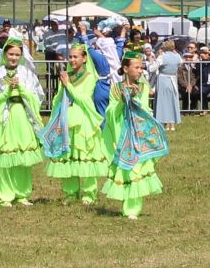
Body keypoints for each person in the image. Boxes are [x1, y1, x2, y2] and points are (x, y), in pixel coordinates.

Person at [42, 40, 111, 204]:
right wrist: (63, 88)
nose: (72, 60)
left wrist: (69, 86)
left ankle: (89, 193)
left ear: (84, 58)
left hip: (83, 120)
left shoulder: (89, 77)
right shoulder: (68, 75)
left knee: (85, 155)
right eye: (70, 57)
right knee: (69, 155)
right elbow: (58, 99)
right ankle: (71, 193)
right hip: (67, 119)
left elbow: (84, 99)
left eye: (76, 57)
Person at [0, 38, 44, 206]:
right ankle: (5, 195)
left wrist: (20, 88)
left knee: (22, 156)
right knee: (4, 156)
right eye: (11, 54)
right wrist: (8, 90)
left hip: (21, 114)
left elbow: (35, 96)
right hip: (4, 117)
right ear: (5, 54)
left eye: (17, 54)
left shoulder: (26, 72)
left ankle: (22, 193)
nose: (14, 57)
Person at [102, 51, 168, 219]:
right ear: (125, 68)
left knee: (136, 168)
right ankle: (127, 204)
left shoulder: (143, 87)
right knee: (126, 168)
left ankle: (132, 209)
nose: (140, 71)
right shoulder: (116, 88)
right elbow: (110, 112)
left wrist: (133, 98)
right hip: (122, 132)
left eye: (141, 67)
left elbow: (144, 109)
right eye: (136, 67)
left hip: (139, 133)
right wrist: (124, 99)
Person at [152, 39, 183, 128]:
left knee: (163, 101)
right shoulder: (177, 56)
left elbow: (152, 68)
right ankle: (172, 124)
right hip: (173, 79)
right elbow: (181, 64)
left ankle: (164, 123)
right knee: (172, 101)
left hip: (163, 79)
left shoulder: (162, 56)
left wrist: (153, 61)